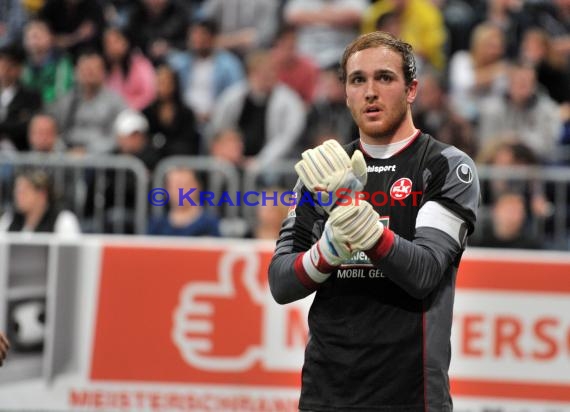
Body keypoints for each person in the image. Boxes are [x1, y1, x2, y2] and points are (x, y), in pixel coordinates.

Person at [268, 31, 480, 411]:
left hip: (412, 396)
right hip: (325, 393)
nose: (370, 91)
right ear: (346, 93)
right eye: (357, 80)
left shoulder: (445, 166)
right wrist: (329, 250)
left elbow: (424, 273)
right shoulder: (320, 173)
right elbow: (281, 282)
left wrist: (362, 228)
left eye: (384, 77)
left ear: (411, 89)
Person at [0, 168, 81, 235]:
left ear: (42, 194)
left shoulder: (63, 220)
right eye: (17, 191)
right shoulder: (10, 218)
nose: (18, 195)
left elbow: (70, 252)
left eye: (24, 191)